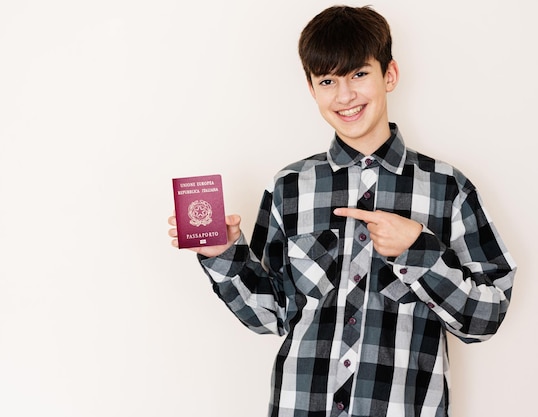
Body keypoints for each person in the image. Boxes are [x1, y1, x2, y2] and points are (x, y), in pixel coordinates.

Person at [168, 5, 516, 417]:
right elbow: (270, 315)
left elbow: (486, 318)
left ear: (390, 75)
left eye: (359, 74)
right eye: (328, 80)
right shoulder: (289, 187)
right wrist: (224, 256)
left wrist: (418, 251)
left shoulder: (448, 188)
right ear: (311, 89)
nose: (345, 95)